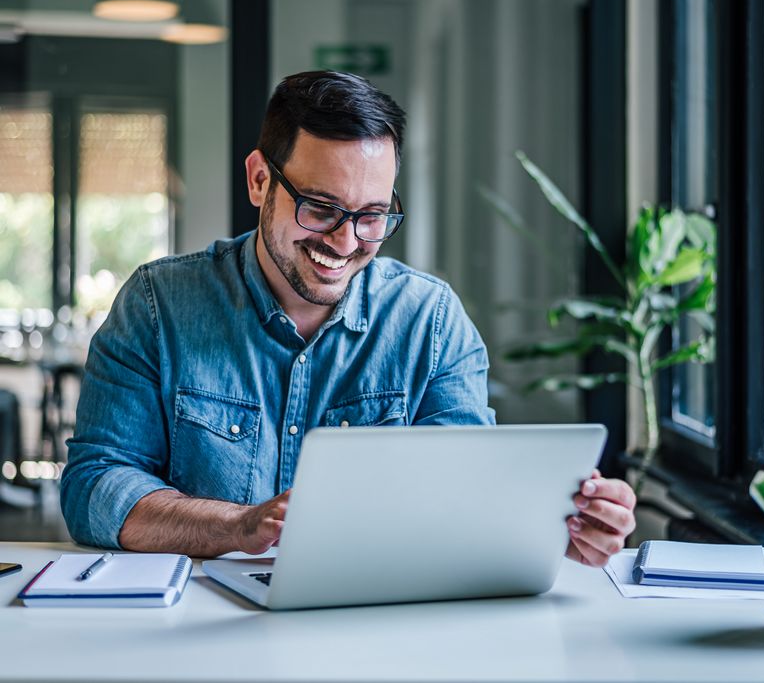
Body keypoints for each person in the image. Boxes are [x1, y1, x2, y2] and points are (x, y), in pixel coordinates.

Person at [61, 70, 635, 564]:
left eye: (373, 216)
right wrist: (239, 526)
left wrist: (557, 528)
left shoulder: (430, 324)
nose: (346, 240)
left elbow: (463, 498)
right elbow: (94, 488)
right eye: (321, 208)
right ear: (260, 180)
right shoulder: (158, 307)